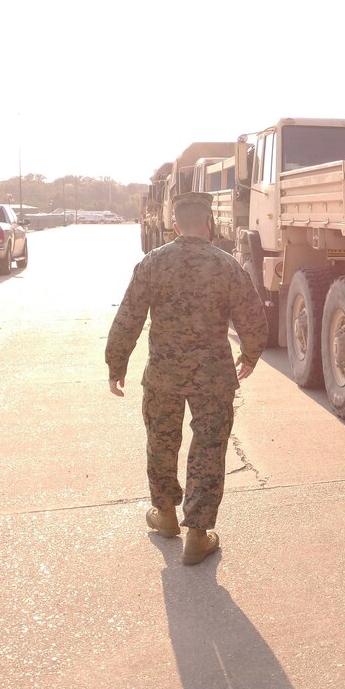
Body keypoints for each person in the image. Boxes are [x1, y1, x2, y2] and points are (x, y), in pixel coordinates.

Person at [105, 191, 269, 565]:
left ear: (174, 225)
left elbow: (129, 316)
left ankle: (164, 515)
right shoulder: (226, 265)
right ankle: (197, 533)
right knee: (209, 448)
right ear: (209, 223)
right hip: (212, 375)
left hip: (164, 373)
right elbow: (252, 315)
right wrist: (251, 353)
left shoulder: (152, 263)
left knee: (162, 441)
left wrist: (116, 365)